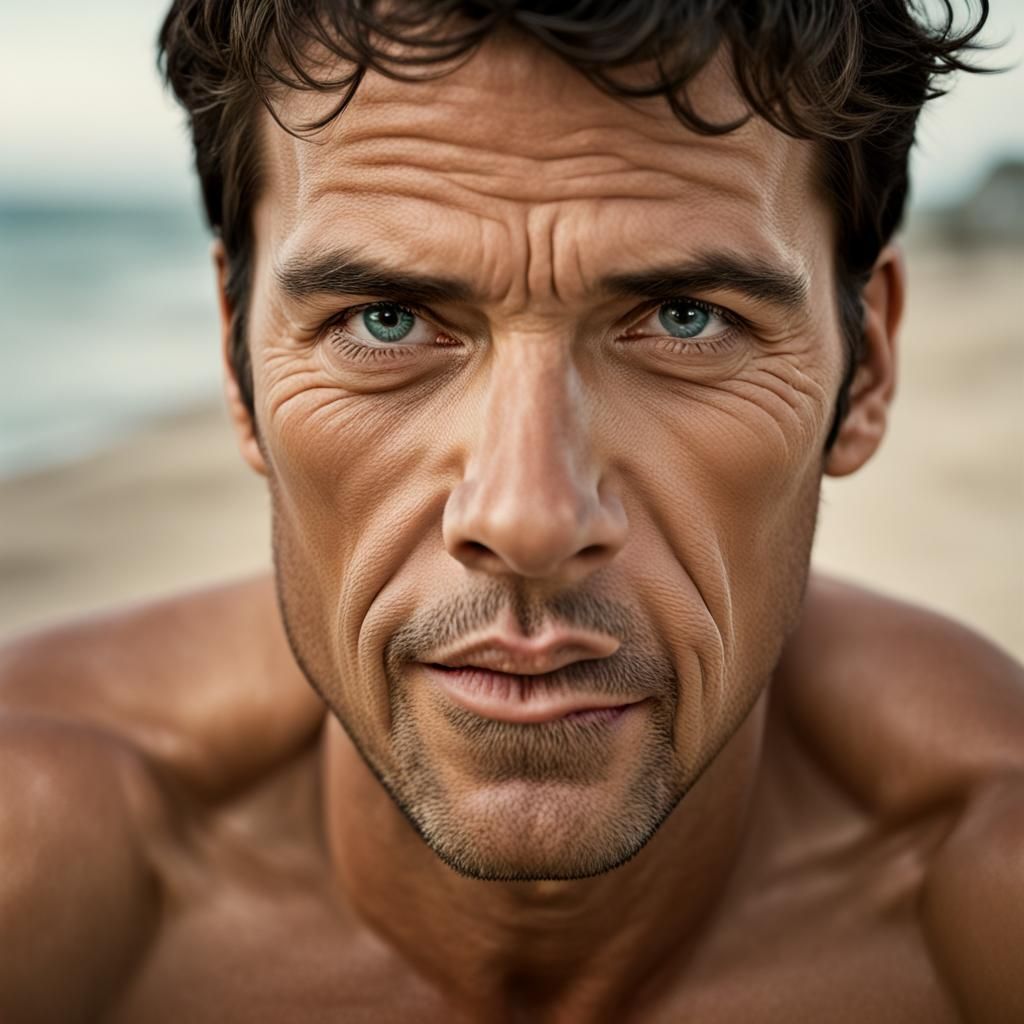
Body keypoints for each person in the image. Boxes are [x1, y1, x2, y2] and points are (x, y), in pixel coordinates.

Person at [2, 1, 1022, 1019]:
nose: (528, 519)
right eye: (385, 320)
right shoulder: (37, 851)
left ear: (868, 369)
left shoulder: (983, 892)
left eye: (686, 319)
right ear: (238, 359)